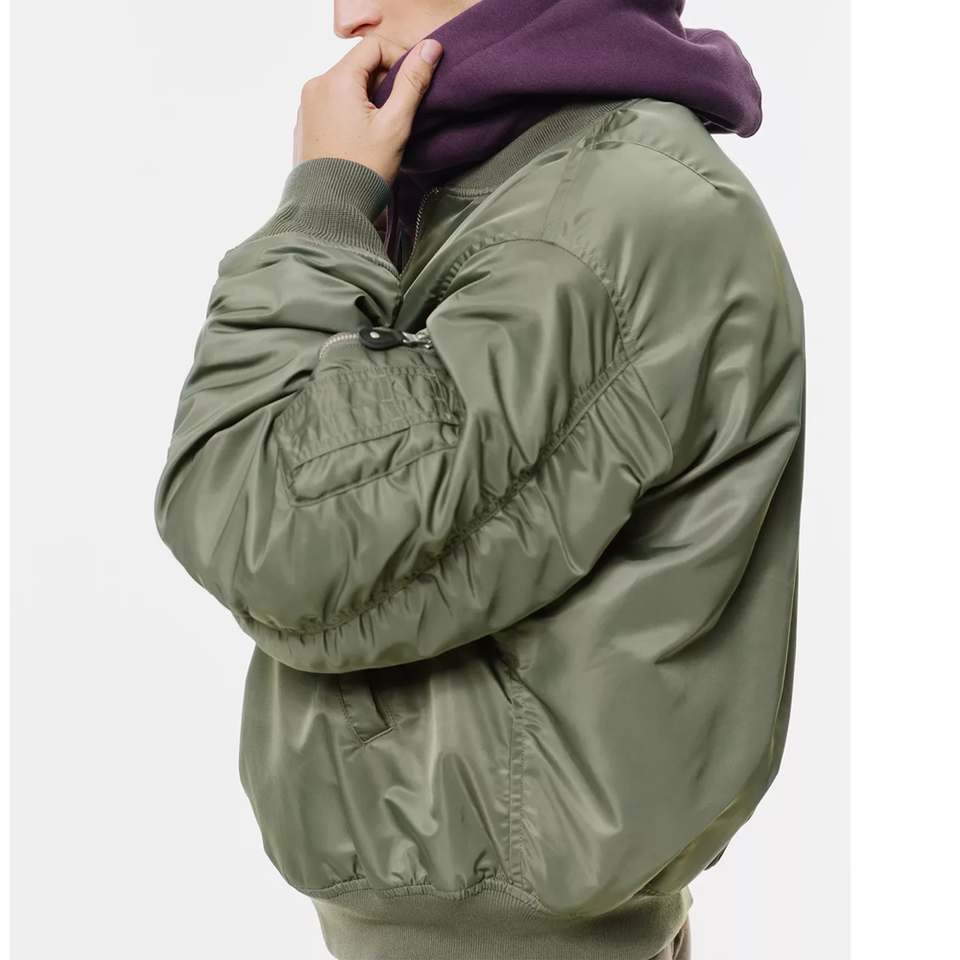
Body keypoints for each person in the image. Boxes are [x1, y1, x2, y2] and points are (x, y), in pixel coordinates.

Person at [155, 0, 805, 957]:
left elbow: (265, 526)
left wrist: (321, 210)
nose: (346, 17)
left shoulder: (595, 218)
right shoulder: (524, 187)